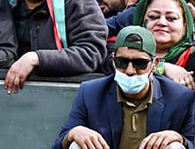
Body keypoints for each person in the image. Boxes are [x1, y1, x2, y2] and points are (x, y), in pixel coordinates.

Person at [53, 26, 194, 149]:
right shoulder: (91, 92)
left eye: (140, 63)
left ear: (154, 64)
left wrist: (180, 139)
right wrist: (73, 133)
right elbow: (58, 145)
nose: (130, 70)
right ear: (113, 60)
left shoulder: (181, 97)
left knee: (175, 146)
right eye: (122, 62)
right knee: (75, 144)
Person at [132, 0, 195, 89]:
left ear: (185, 26)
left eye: (171, 18)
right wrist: (161, 67)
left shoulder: (192, 56)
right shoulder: (123, 49)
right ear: (141, 22)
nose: (161, 22)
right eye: (153, 16)